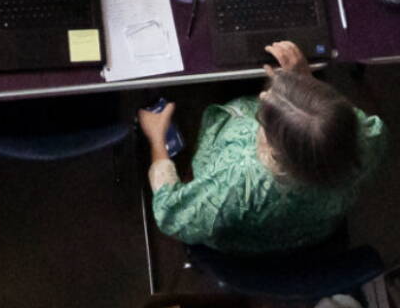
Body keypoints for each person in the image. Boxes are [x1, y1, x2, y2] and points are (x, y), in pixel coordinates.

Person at [140, 41, 386, 255]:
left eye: (263, 118)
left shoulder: (237, 182)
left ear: (270, 148)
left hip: (244, 245)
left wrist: (156, 139)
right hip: (314, 232)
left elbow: (170, 213)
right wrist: (305, 81)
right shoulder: (366, 138)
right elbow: (345, 120)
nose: (264, 96)